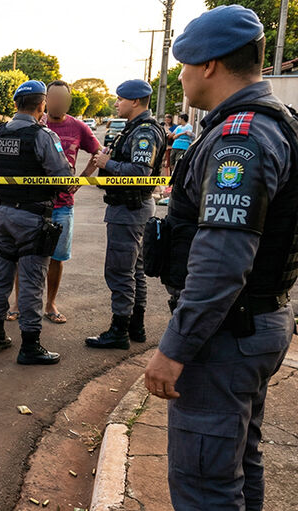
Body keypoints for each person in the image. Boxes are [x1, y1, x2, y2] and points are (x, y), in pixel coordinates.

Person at [143, 6, 295, 510]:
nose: (182, 75)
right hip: (253, 324)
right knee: (237, 465)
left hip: (225, 335)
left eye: (185, 64)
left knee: (204, 483)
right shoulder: (275, 123)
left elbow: (222, 260)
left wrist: (176, 347)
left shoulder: (240, 139)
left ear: (209, 65)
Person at [0, 80, 72, 365]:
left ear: (16, 104)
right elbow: (64, 179)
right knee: (32, 281)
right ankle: (30, 346)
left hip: (1, 214)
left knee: (0, 276)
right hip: (32, 218)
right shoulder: (43, 136)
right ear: (42, 104)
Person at [10, 80, 101, 325]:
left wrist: (81, 180)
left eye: (64, 97)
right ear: (45, 100)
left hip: (63, 205)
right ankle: (18, 303)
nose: (59, 102)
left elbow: (99, 153)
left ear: (69, 101)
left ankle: (50, 303)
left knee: (56, 257)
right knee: (23, 255)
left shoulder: (79, 127)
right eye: (54, 97)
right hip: (33, 203)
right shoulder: (33, 124)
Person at [85, 79, 165, 350]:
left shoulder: (144, 132)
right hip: (132, 208)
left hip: (129, 210)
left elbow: (140, 172)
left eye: (120, 99)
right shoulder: (134, 129)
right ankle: (135, 326)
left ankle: (119, 330)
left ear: (134, 101)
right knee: (135, 269)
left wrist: (110, 163)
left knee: (120, 271)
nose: (116, 103)